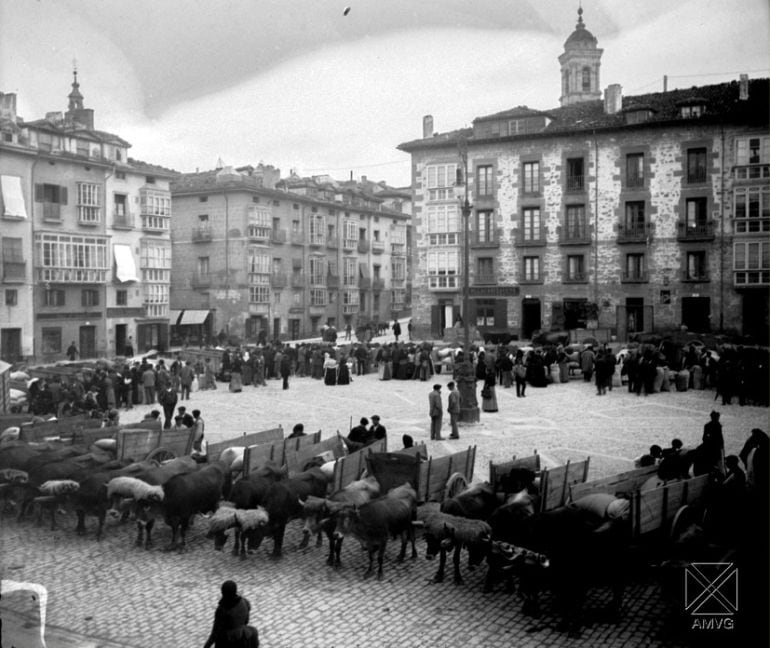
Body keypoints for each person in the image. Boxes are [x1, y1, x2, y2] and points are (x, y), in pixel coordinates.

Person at [203, 580, 259, 648]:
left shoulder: (222, 610)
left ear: (223, 593)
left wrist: (206, 646)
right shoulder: (244, 602)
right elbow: (246, 621)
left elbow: (215, 633)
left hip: (227, 641)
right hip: (243, 636)